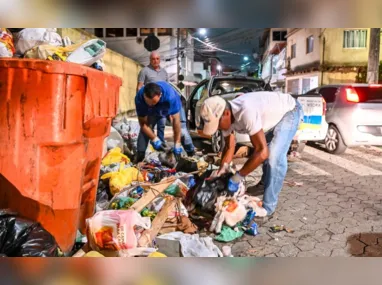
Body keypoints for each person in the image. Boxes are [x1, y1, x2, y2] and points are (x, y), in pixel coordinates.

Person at [200, 91, 303, 219]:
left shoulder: (246, 111)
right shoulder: (226, 117)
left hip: (290, 111)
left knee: (274, 156)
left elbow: (262, 152)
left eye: (217, 124)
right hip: (273, 120)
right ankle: (264, 184)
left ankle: (268, 207)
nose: (218, 129)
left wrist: (238, 176)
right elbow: (229, 147)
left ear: (226, 113)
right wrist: (222, 171)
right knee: (267, 150)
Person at [135, 81, 195, 163]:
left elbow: (175, 121)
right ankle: (140, 156)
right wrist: (154, 139)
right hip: (152, 112)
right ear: (144, 96)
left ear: (160, 95)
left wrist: (177, 144)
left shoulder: (170, 96)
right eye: (149, 102)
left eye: (154, 102)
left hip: (168, 105)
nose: (151, 104)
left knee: (183, 131)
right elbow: (143, 124)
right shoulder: (139, 99)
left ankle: (191, 153)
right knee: (144, 132)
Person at [137, 51, 169, 143]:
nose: (155, 61)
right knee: (149, 126)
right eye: (153, 59)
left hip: (161, 105)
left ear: (160, 59)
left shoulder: (164, 72)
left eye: (157, 59)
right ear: (150, 60)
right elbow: (139, 87)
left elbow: (167, 87)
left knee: (161, 126)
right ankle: (145, 148)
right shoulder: (144, 71)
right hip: (150, 105)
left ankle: (161, 147)